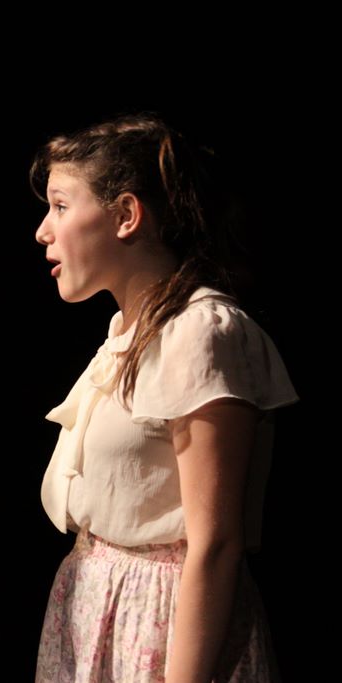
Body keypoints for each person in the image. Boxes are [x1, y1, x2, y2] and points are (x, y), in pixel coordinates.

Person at [31, 114, 297, 682]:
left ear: (126, 215)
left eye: (60, 206)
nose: (43, 232)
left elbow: (216, 544)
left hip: (164, 622)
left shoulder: (202, 332)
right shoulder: (125, 333)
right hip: (97, 603)